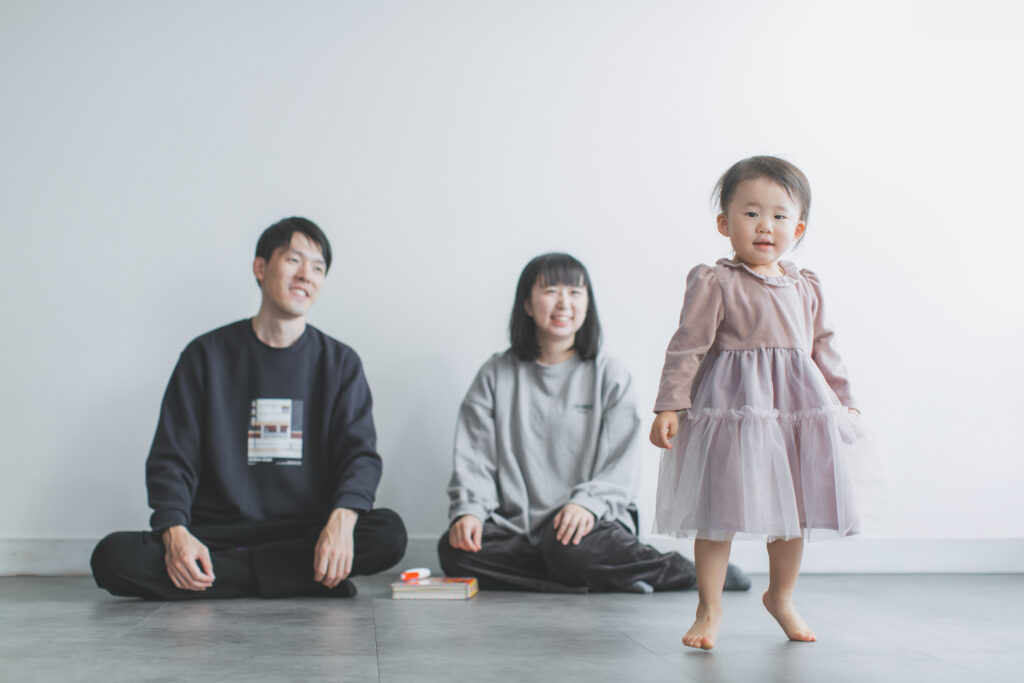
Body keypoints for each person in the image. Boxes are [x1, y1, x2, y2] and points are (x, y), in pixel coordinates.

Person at [91, 217, 407, 600]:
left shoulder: (340, 364)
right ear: (260, 267)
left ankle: (220, 579)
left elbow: (359, 457)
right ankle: (296, 578)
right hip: (217, 534)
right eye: (294, 260)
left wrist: (342, 522)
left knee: (389, 533)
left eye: (318, 268)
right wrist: (175, 532)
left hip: (306, 532)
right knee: (111, 557)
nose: (306, 275)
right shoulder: (204, 357)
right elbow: (172, 458)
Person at [650, 156, 887, 649]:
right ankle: (709, 608)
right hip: (732, 412)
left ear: (797, 228)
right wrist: (670, 404)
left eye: (779, 215)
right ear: (724, 223)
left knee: (793, 509)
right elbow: (688, 346)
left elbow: (824, 347)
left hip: (796, 412)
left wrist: (845, 400)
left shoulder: (805, 285)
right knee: (717, 511)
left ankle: (780, 595)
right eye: (752, 213)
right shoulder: (716, 281)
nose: (765, 226)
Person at [438, 253, 751, 593]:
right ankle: (596, 578)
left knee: (569, 547)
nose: (564, 303)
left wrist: (586, 503)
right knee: (454, 551)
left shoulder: (609, 374)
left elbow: (621, 461)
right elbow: (474, 457)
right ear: (527, 304)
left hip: (590, 522)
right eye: (551, 291)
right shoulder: (494, 374)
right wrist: (469, 511)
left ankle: (683, 572)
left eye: (575, 292)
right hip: (517, 530)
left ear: (587, 305)